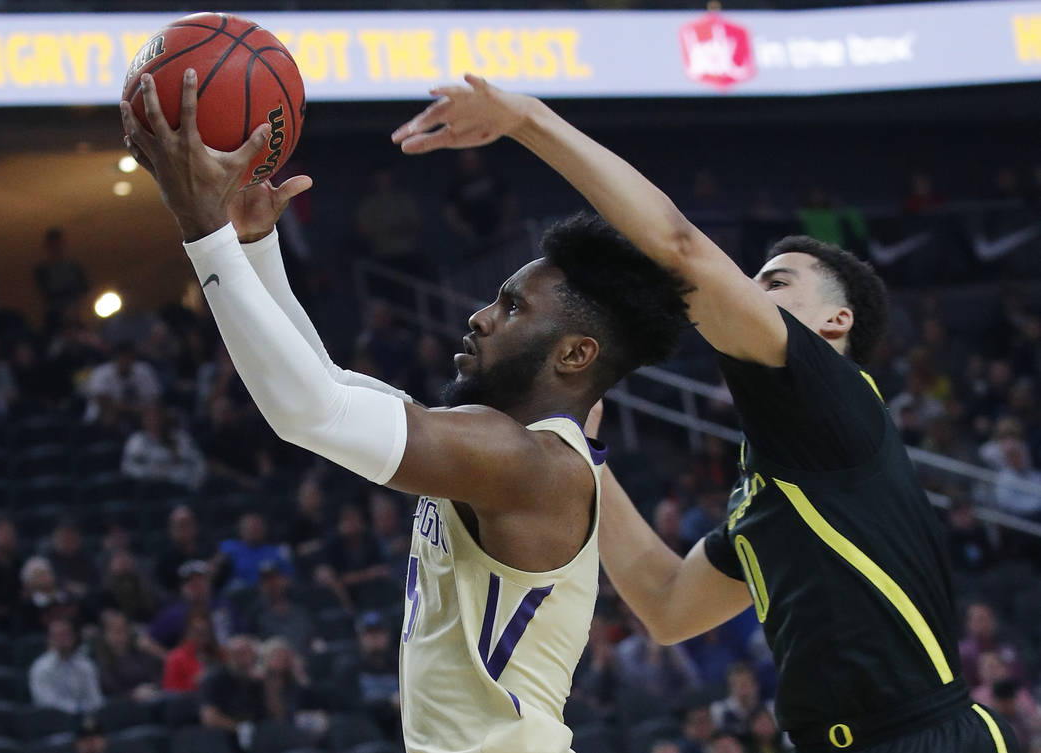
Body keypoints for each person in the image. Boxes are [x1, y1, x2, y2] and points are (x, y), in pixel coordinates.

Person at [388, 76, 1019, 751]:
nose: (744, 291)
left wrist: (528, 119)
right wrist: (576, 452)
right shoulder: (780, 481)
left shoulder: (833, 391)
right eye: (749, 279)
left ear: (837, 321)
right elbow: (666, 602)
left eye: (774, 283)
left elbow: (681, 250)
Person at [121, 69, 689, 753]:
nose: (480, 317)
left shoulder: (527, 462)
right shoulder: (496, 443)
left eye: (512, 307)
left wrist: (203, 232)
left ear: (574, 354)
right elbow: (324, 382)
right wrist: (253, 245)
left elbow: (312, 412)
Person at [29, 618, 104, 713]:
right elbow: (46, 703)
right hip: (53, 720)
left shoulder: (85, 664)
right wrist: (77, 708)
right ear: (49, 640)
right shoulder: (41, 668)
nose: (62, 639)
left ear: (73, 637)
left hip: (86, 717)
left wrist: (89, 709)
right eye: (58, 636)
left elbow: (96, 698)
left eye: (66, 634)